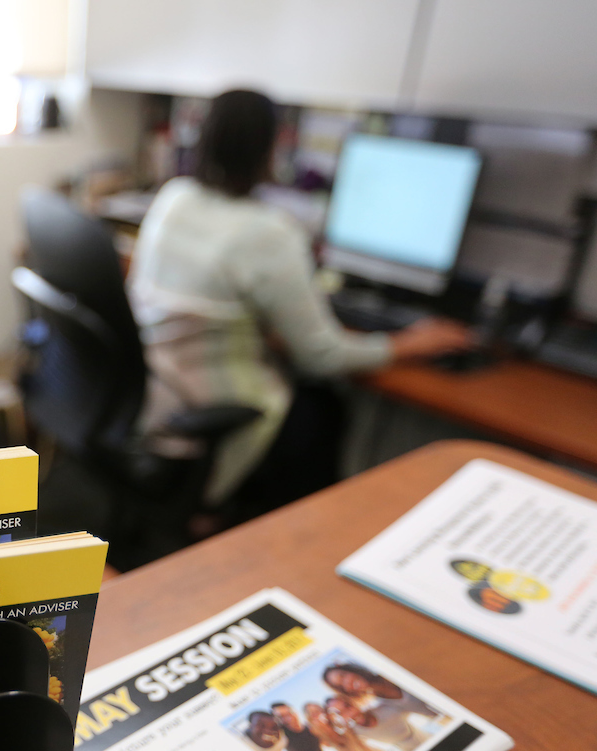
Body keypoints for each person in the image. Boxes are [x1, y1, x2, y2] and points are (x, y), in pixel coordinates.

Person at [127, 89, 474, 512]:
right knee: (322, 410)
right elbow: (322, 356)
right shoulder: (270, 233)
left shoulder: (174, 197)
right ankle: (269, 530)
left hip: (153, 386)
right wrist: (410, 344)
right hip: (210, 400)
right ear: (275, 146)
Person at [304, 701, 392, 751]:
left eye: (319, 710)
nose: (319, 714)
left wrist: (333, 718)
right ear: (310, 718)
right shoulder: (321, 737)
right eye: (314, 713)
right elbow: (335, 742)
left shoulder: (338, 723)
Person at [325, 695, 430, 751]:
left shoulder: (386, 708)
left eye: (348, 706)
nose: (349, 714)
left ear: (354, 702)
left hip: (429, 740)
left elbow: (418, 704)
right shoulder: (355, 733)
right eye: (340, 713)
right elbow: (332, 743)